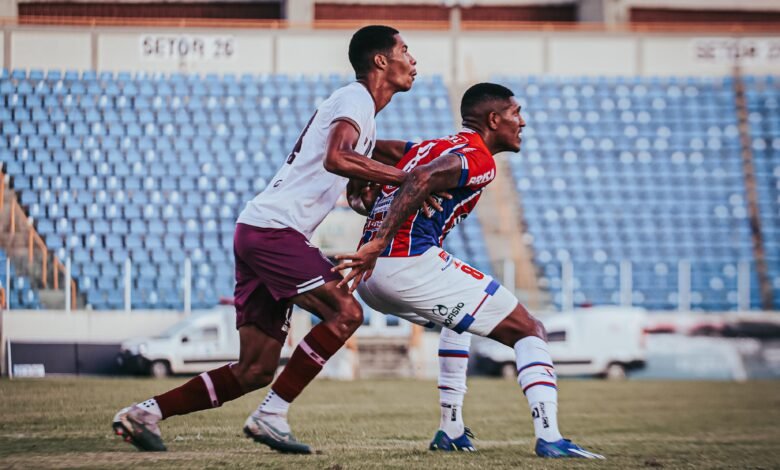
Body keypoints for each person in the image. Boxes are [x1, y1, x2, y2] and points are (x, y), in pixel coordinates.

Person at [112, 24, 427, 454]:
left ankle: (143, 413)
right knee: (347, 312)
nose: (413, 60)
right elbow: (338, 157)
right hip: (274, 232)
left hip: (260, 230)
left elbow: (351, 161)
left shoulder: (361, 113)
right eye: (405, 50)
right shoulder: (355, 98)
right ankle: (272, 415)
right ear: (380, 61)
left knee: (255, 368)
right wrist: (408, 180)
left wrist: (385, 179)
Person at [334, 83, 605, 459]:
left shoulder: (428, 146)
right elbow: (423, 178)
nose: (522, 122)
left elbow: (365, 147)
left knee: (458, 322)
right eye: (516, 113)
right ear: (494, 119)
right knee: (530, 330)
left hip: (372, 278)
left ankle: (451, 429)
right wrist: (379, 239)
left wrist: (357, 191)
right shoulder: (478, 158)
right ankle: (551, 437)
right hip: (403, 262)